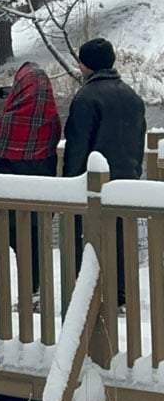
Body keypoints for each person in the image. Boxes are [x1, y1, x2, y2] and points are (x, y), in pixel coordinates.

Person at [63, 38, 148, 308]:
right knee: (120, 238)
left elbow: (77, 145)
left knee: (86, 238)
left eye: (81, 61)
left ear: (87, 64)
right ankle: (120, 293)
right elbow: (139, 139)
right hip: (126, 181)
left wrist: (69, 182)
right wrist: (134, 171)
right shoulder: (132, 96)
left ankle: (87, 293)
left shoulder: (87, 97)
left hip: (93, 183)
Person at [0, 61, 61, 302]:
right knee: (36, 245)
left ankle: (31, 294)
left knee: (20, 246)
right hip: (42, 195)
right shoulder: (52, 119)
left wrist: (2, 116)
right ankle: (37, 291)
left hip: (13, 198)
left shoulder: (10, 120)